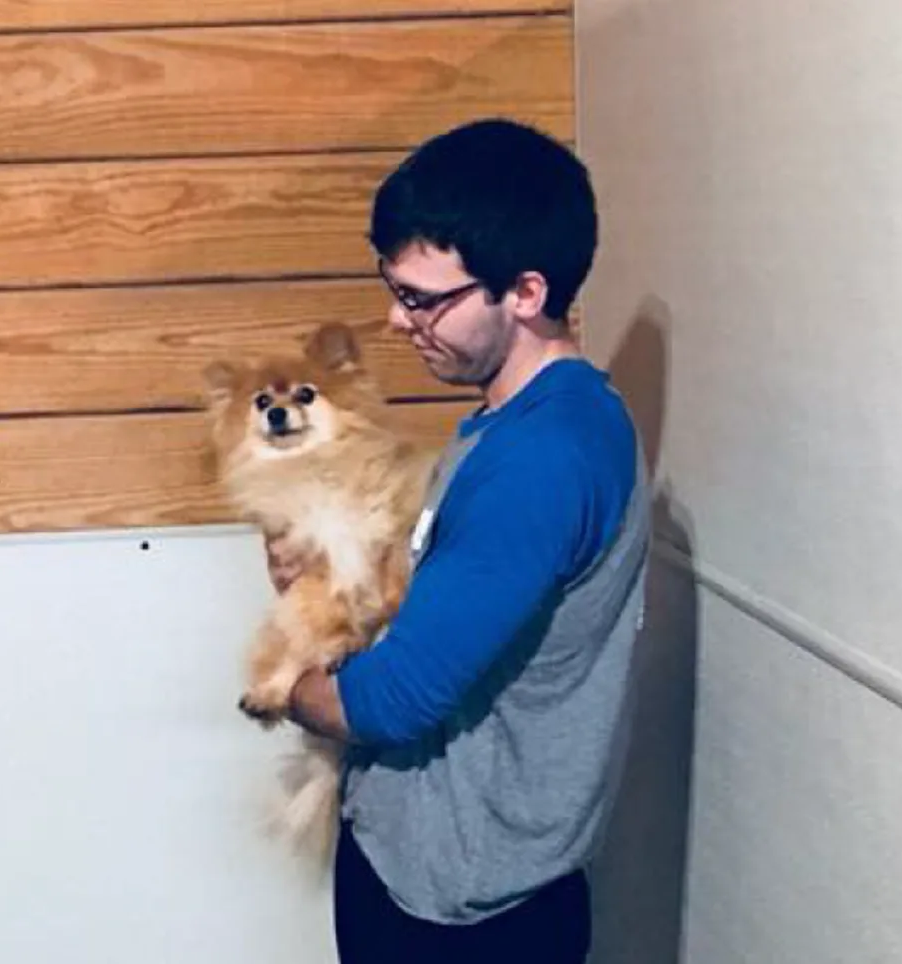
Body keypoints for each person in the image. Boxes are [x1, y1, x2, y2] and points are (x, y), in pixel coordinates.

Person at [267, 118, 650, 964]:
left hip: (465, 909)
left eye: (421, 298)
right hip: (425, 863)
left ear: (524, 292)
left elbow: (389, 701)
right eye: (393, 286)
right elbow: (444, 617)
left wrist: (286, 688)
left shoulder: (544, 457)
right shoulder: (511, 424)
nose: (397, 321)